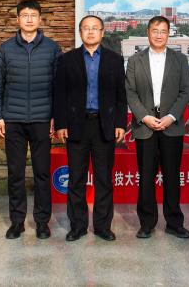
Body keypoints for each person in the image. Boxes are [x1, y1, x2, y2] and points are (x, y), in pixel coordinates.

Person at [53, 15, 127, 242]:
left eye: (95, 28)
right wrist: (61, 124)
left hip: (104, 125)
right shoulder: (67, 60)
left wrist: (120, 123)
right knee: (76, 178)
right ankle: (78, 226)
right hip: (77, 125)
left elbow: (121, 95)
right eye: (86, 28)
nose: (91, 32)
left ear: (102, 32)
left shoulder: (115, 60)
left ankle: (103, 226)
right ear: (80, 32)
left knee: (104, 178)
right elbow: (59, 93)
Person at [0, 0, 61, 240]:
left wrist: (56, 116)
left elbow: (58, 86)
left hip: (42, 119)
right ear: (18, 19)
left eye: (33, 15)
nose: (29, 19)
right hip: (14, 119)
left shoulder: (52, 48)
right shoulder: (5, 49)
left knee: (42, 173)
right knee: (16, 173)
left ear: (40, 19)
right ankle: (17, 221)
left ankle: (42, 222)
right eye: (25, 15)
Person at [125, 15, 189, 239]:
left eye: (163, 31)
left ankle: (174, 222)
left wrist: (171, 116)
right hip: (146, 126)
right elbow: (130, 92)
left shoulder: (179, 59)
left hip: (171, 126)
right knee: (146, 176)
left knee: (172, 176)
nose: (159, 35)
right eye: (155, 30)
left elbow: (185, 91)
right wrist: (144, 117)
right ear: (148, 33)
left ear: (169, 34)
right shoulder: (135, 60)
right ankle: (147, 223)